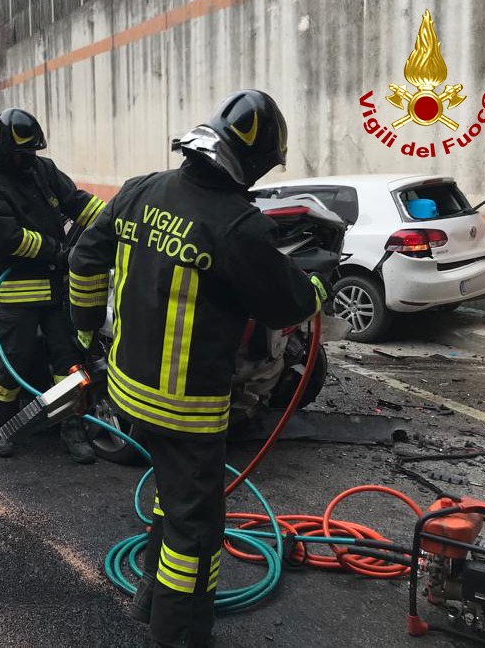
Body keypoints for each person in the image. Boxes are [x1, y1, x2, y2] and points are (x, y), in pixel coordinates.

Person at [69, 90, 330, 648]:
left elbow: (84, 258)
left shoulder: (140, 190)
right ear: (251, 163)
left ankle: (150, 595)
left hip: (127, 391)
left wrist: (86, 329)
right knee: (197, 533)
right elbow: (285, 307)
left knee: (172, 497)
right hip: (186, 410)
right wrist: (317, 283)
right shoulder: (238, 225)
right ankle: (179, 633)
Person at [0, 108, 106, 464]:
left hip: (55, 288)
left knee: (68, 362)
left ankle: (70, 427)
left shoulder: (41, 169)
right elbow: (7, 238)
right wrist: (56, 250)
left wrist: (111, 222)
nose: (28, 159)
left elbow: (76, 202)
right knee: (15, 361)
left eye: (32, 152)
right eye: (21, 154)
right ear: (3, 151)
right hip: (17, 291)